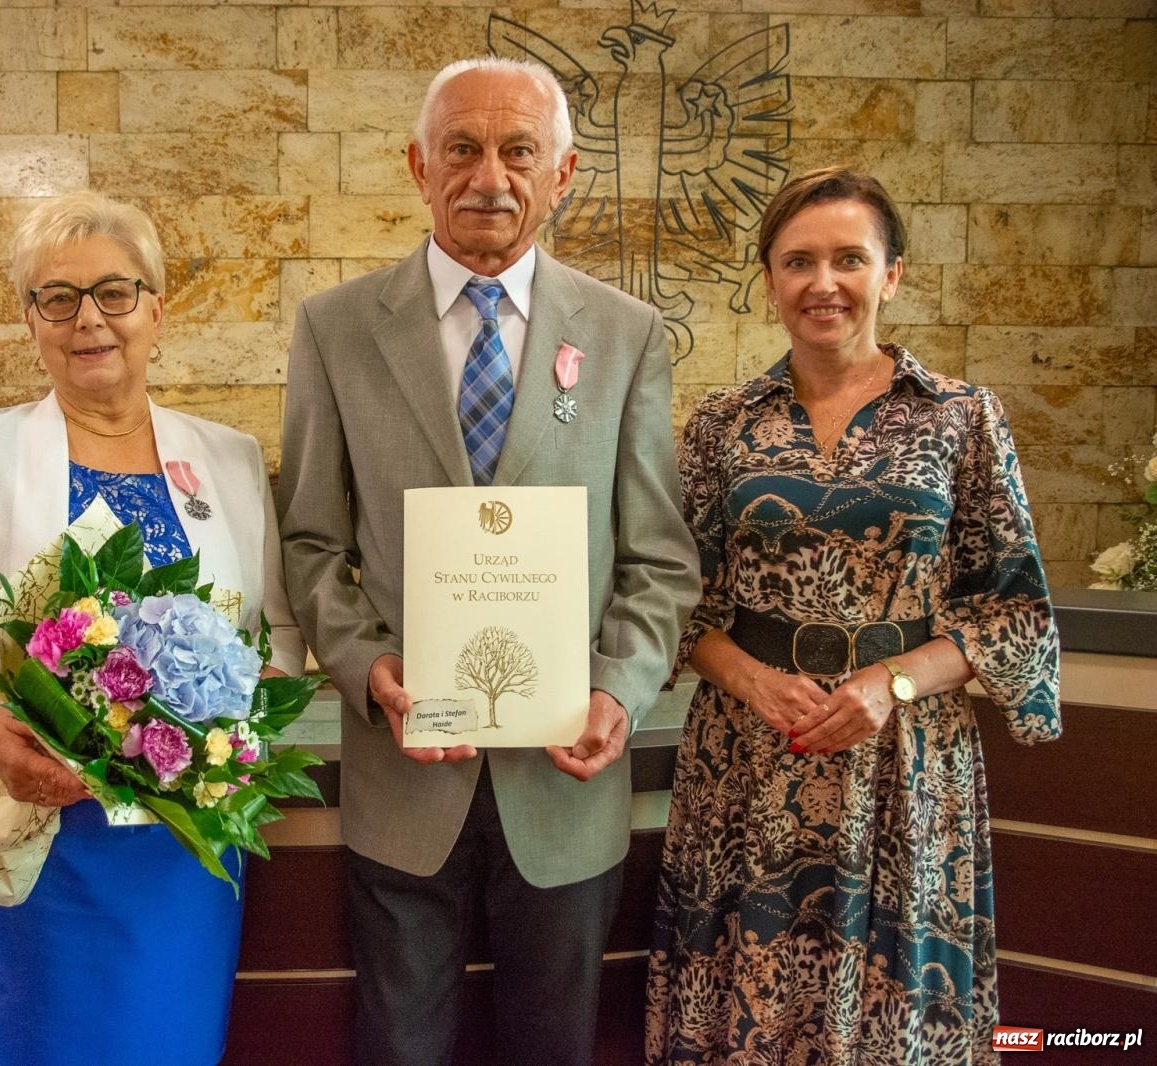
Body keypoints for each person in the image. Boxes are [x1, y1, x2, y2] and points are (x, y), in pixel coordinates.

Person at [277, 56, 701, 1065]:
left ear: (561, 173)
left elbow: (658, 559)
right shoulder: (333, 330)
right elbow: (309, 542)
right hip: (403, 777)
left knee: (552, 1045)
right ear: (418, 167)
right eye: (462, 149)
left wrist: (618, 687)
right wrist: (369, 671)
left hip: (565, 784)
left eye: (519, 152)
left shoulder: (627, 335)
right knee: (398, 1045)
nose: (489, 177)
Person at [0, 189, 304, 1065]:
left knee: (164, 1040)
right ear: (29, 321)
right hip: (23, 824)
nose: (88, 320)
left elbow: (279, 639)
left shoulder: (228, 458)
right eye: (55, 298)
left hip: (180, 851)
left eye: (115, 291)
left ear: (157, 309)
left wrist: (214, 746)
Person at [645, 167, 1062, 1063]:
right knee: (747, 1003)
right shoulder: (721, 424)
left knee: (892, 1008)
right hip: (750, 754)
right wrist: (750, 681)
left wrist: (893, 681)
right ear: (768, 280)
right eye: (798, 261)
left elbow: (1014, 613)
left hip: (901, 759)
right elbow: (673, 598)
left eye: (849, 259)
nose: (822, 282)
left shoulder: (962, 418)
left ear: (892, 274)